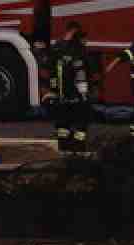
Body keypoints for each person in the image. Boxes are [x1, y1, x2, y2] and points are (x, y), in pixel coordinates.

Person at [49, 22, 92, 154]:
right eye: (84, 39)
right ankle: (79, 150)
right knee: (81, 124)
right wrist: (84, 94)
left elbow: (52, 73)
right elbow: (81, 74)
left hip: (62, 96)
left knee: (63, 125)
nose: (86, 42)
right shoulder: (79, 50)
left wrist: (53, 91)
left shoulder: (56, 48)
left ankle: (64, 149)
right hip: (76, 96)